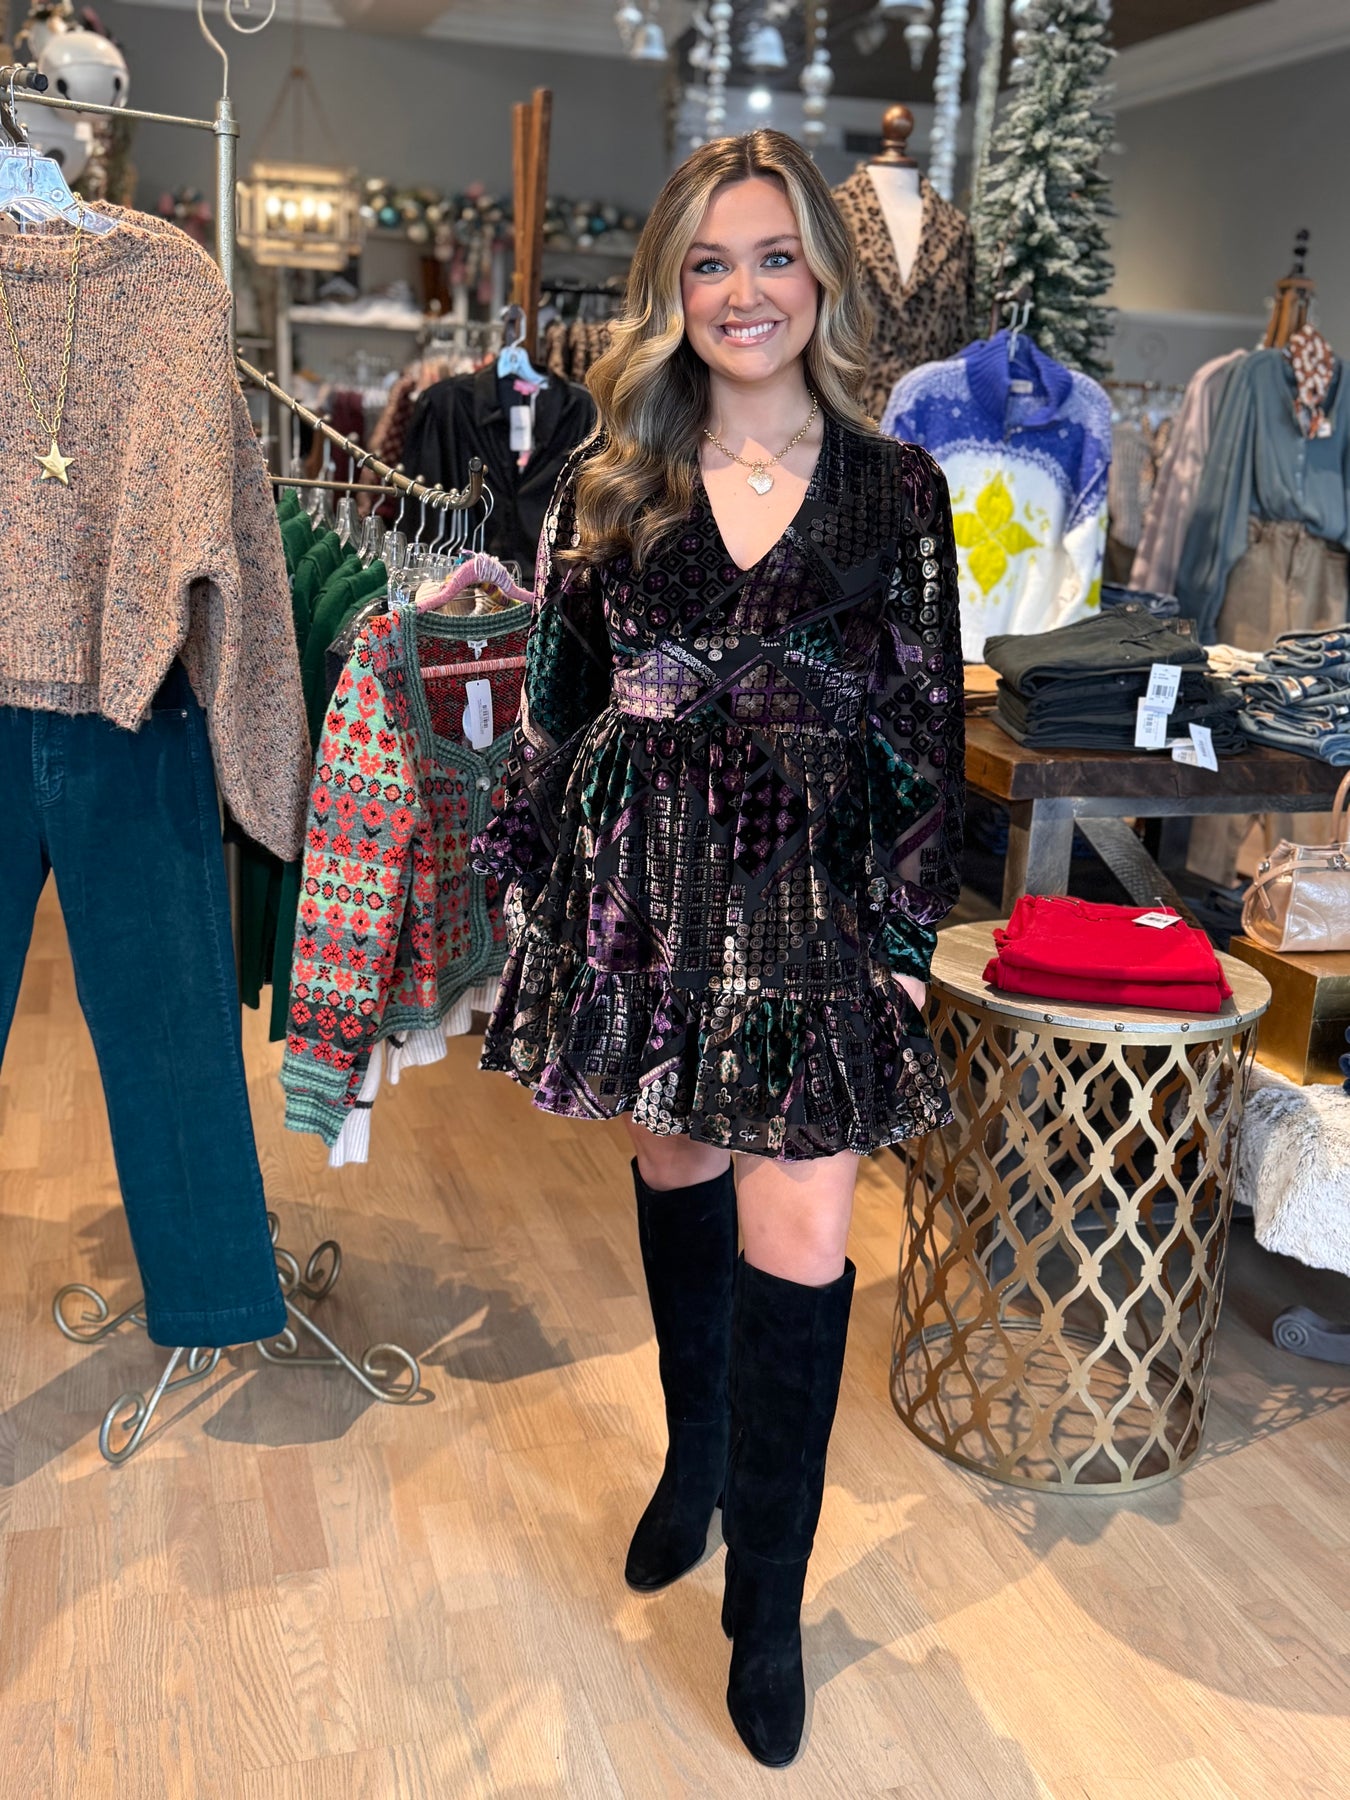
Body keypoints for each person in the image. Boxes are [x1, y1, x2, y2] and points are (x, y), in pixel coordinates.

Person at [474, 128, 964, 1768]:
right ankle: (693, 1459)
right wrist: (526, 885)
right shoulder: (608, 478)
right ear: (669, 287)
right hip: (642, 892)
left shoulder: (896, 490)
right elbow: (554, 705)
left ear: (818, 274)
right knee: (675, 1165)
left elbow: (919, 719)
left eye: (769, 257)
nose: (741, 292)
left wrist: (905, 925)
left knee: (803, 1230)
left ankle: (768, 1602)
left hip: (811, 899)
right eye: (706, 262)